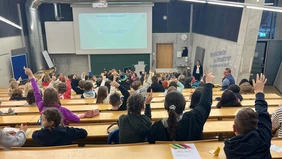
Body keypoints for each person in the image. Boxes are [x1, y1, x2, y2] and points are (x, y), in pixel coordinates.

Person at [148, 72, 215, 143]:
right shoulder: (193, 118)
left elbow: (149, 140)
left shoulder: (157, 127)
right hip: (192, 154)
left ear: (165, 106)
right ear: (184, 105)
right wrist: (209, 84)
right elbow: (205, 104)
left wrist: (147, 104)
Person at [224, 74, 271, 159]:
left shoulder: (229, 148)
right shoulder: (264, 139)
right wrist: (259, 92)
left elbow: (262, 114)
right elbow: (262, 113)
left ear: (234, 128)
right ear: (257, 126)